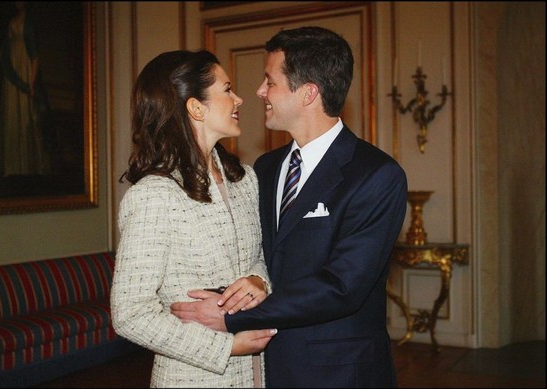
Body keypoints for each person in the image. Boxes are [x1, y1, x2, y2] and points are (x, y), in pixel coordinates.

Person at [171, 26, 408, 388]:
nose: (259, 92)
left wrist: (230, 318)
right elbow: (258, 258)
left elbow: (342, 287)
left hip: (340, 372)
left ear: (308, 93)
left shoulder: (376, 175)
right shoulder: (264, 168)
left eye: (271, 81)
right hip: (264, 366)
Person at [110, 49, 277, 388]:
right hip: (193, 376)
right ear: (195, 107)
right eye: (227, 89)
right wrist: (226, 346)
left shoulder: (244, 180)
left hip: (259, 370)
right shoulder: (154, 195)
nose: (239, 99)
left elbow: (260, 257)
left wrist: (259, 283)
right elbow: (130, 314)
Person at [0, 1, 53, 176]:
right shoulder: (12, 20)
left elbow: (35, 57)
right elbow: (5, 47)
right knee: (12, 113)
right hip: (13, 68)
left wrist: (30, 84)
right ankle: (14, 166)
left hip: (24, 68)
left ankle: (30, 165)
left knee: (25, 113)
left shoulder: (30, 22)